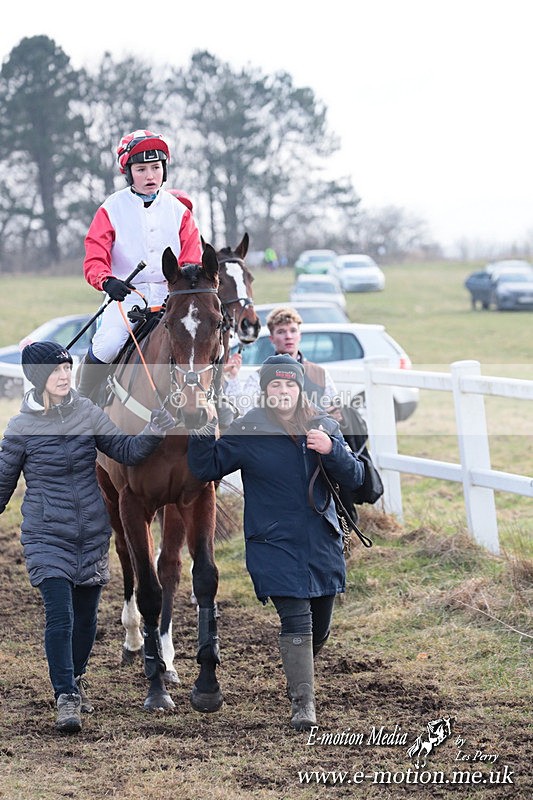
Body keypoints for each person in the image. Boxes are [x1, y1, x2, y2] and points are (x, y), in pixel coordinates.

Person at [0, 341, 175, 734]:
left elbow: (125, 450)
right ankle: (65, 696)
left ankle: (75, 680)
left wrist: (154, 430)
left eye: (68, 369)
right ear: (38, 377)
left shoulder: (87, 411)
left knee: (87, 623)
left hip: (92, 535)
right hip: (47, 535)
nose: (65, 376)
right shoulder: (21, 428)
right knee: (60, 617)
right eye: (57, 370)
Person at [188, 354, 364, 730]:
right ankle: (304, 705)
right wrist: (201, 430)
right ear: (265, 391)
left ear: (300, 389)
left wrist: (332, 451)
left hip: (321, 541)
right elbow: (206, 468)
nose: (282, 391)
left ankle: (299, 673)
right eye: (275, 385)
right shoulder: (249, 430)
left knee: (320, 627)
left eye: (289, 384)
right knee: (296, 620)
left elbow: (356, 477)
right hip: (273, 543)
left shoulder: (323, 425)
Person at [78, 129, 203, 398]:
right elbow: (94, 257)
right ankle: (82, 406)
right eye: (141, 169)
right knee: (108, 345)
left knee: (202, 339)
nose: (150, 176)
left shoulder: (180, 211)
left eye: (156, 168)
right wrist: (107, 281)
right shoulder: (111, 208)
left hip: (172, 297)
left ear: (164, 170)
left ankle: (213, 402)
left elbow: (192, 260)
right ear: (129, 172)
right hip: (126, 297)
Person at [224, 305, 338, 415]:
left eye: (293, 330)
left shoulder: (319, 374)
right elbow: (244, 409)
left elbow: (334, 413)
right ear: (272, 338)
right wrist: (233, 377)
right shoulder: (259, 376)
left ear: (299, 335)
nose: (288, 336)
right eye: (281, 332)